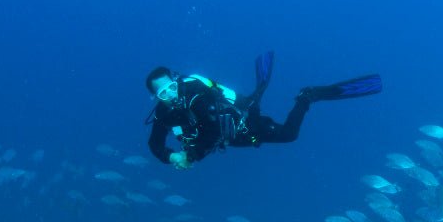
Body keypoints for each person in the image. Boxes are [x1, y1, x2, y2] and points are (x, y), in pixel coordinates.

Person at [145, 51, 382, 169]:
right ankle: (257, 94)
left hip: (242, 124)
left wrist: (191, 156)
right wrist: (172, 156)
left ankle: (307, 96)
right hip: (226, 139)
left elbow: (213, 131)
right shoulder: (164, 113)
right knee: (254, 102)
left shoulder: (196, 94)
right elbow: (154, 144)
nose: (171, 95)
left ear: (177, 81)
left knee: (289, 134)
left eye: (172, 87)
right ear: (156, 97)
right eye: (163, 93)